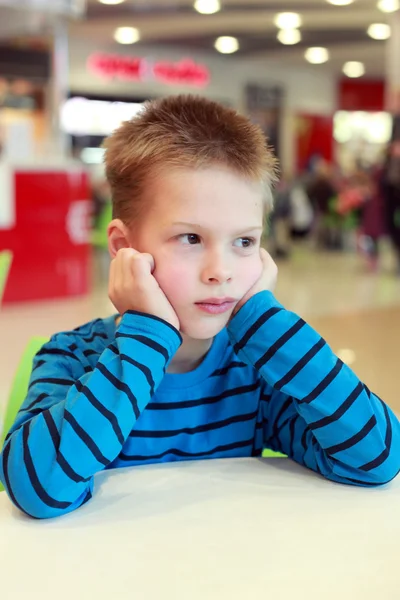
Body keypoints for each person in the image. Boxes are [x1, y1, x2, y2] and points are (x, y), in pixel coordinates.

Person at [0, 96, 399, 520]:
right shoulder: (72, 357)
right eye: (190, 238)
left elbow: (376, 460)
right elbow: (38, 491)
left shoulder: (257, 372)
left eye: (244, 242)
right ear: (124, 249)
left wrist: (263, 322)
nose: (220, 271)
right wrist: (147, 334)